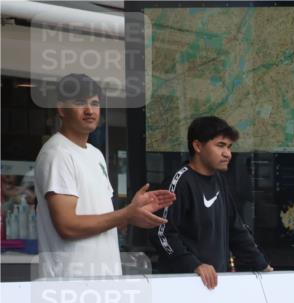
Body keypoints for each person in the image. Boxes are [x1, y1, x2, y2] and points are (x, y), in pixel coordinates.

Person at [35, 73, 175, 278]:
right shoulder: (57, 153)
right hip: (69, 283)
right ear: (62, 109)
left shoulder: (95, 154)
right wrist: (126, 213)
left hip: (103, 280)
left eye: (95, 103)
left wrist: (133, 215)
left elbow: (102, 218)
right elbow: (67, 226)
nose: (89, 110)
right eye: (80, 103)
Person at [157, 116, 272, 289]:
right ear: (197, 146)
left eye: (229, 147)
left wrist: (262, 266)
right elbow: (162, 233)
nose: (227, 154)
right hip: (183, 286)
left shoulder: (219, 180)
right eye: (220, 145)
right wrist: (194, 265)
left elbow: (236, 230)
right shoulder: (179, 181)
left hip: (216, 286)